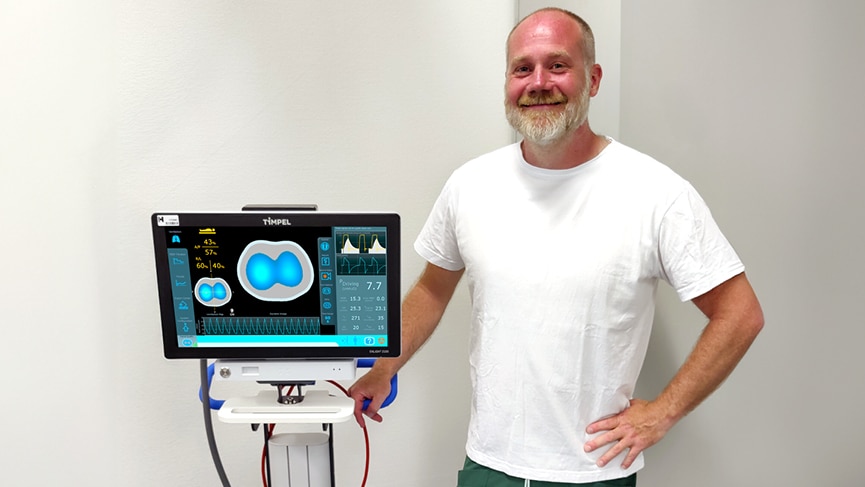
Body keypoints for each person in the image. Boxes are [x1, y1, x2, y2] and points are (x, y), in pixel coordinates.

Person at [348, 7, 764, 487]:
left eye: (558, 65)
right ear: (507, 80)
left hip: (593, 470)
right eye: (522, 68)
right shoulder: (470, 185)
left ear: (593, 78)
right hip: (489, 465)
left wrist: (662, 413)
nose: (538, 82)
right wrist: (383, 368)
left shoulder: (655, 192)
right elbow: (431, 290)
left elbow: (740, 313)